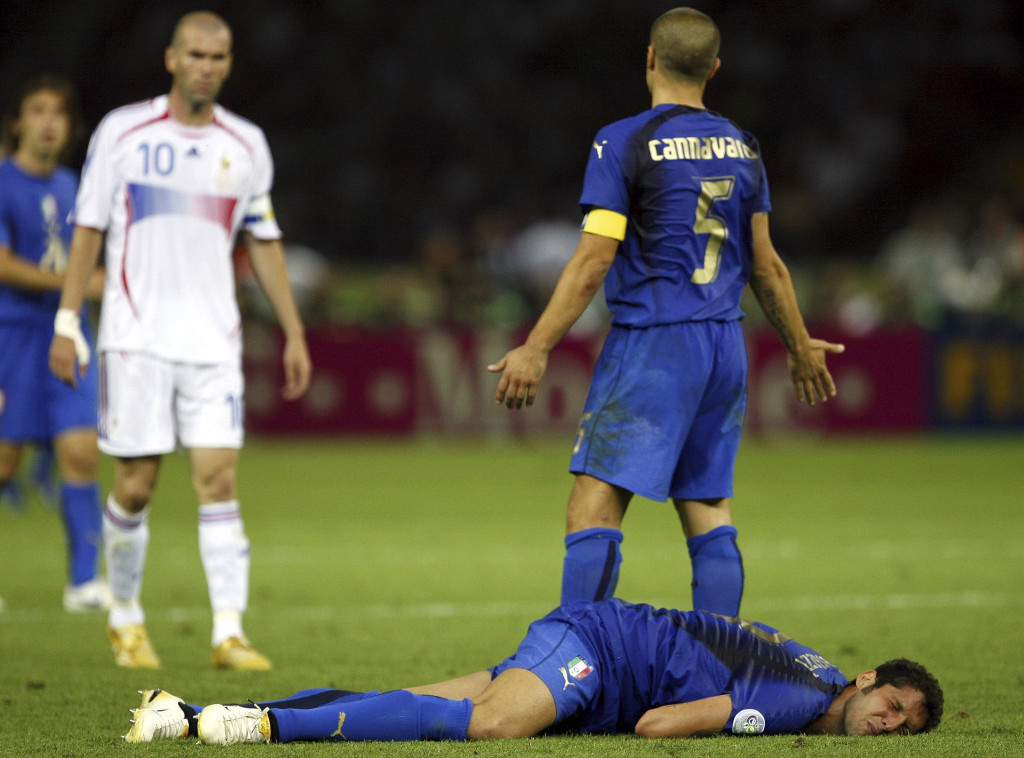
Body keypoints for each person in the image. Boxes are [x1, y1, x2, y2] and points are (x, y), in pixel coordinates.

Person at [487, 8, 845, 617]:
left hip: (655, 342)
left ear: (650, 58)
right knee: (707, 506)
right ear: (715, 69)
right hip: (724, 345)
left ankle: (576, 657)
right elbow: (766, 265)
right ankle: (717, 662)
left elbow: (595, 259)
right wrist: (799, 343)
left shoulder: (623, 139)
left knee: (593, 504)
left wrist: (537, 345)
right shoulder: (743, 146)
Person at [49, 11, 312, 670]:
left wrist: (293, 330)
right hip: (135, 337)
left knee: (218, 480)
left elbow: (265, 240)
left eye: (218, 57)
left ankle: (229, 632)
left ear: (228, 63)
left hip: (213, 340)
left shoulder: (246, 144)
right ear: (171, 59)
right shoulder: (122, 133)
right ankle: (126, 617)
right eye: (195, 54)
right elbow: (86, 229)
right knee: (136, 486)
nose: (206, 66)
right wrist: (65, 320)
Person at [120, 597, 943, 744]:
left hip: (609, 655)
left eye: (907, 726)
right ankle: (256, 728)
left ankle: (194, 713)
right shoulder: (801, 700)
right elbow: (659, 726)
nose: (892, 724)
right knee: (492, 724)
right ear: (866, 679)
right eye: (896, 704)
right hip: (601, 648)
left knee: (419, 703)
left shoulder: (817, 674)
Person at [0, 74, 110, 612]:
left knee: (81, 452)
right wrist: (77, 283)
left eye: (59, 114)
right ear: (18, 122)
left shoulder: (73, 187)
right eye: (38, 110)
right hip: (10, 334)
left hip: (67, 333)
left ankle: (84, 582)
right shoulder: (1, 182)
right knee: (2, 462)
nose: (48, 121)